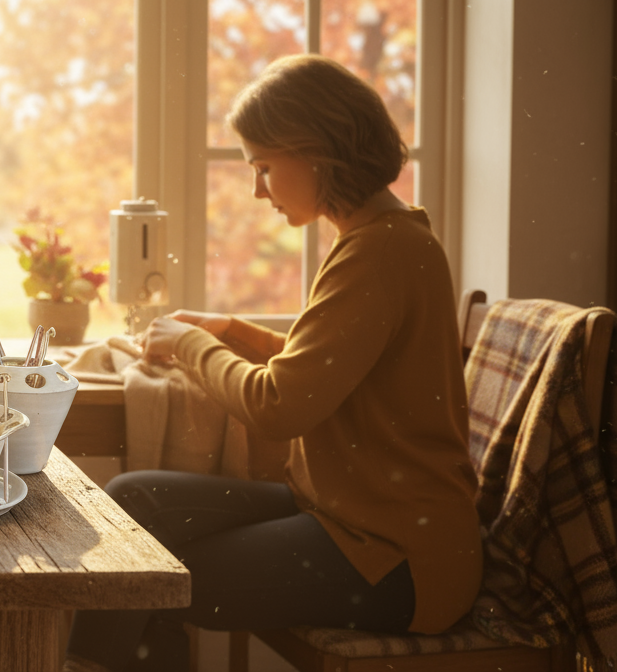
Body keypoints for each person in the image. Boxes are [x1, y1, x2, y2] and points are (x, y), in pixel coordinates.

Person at [66, 54, 481, 671]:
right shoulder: (381, 238)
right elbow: (329, 366)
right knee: (136, 504)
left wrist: (187, 344)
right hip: (354, 516)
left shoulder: (381, 251)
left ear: (317, 151)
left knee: (151, 570)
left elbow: (280, 404)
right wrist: (231, 332)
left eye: (263, 167)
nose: (258, 190)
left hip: (398, 557)